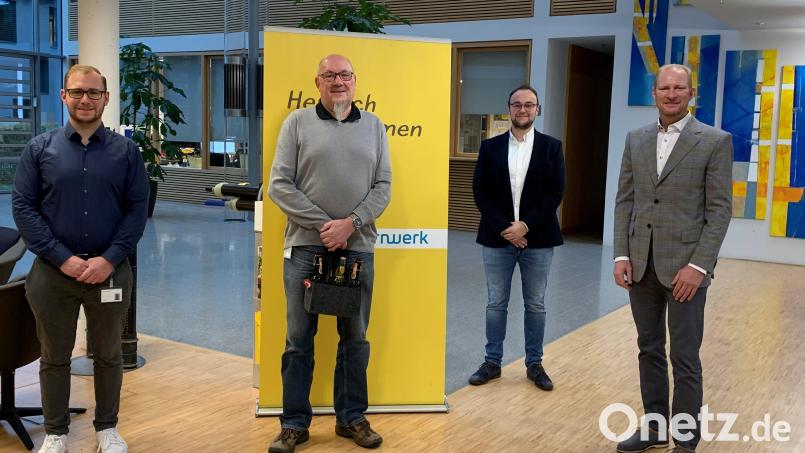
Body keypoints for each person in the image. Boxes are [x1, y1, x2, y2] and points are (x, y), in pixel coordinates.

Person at [11, 64, 149, 453]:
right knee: (54, 356)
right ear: (64, 96)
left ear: (106, 98)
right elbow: (23, 207)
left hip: (109, 272)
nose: (85, 99)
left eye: (93, 92)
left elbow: (137, 210)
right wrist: (62, 258)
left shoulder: (126, 152)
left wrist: (109, 259)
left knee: (108, 354)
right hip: (53, 274)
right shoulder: (40, 149)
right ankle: (56, 433)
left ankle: (107, 429)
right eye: (77, 92)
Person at [267, 54, 391, 453]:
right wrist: (326, 226)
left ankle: (351, 418)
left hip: (357, 250)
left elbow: (384, 186)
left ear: (355, 81)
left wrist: (350, 224)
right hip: (306, 249)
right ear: (317, 82)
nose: (338, 81)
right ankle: (293, 425)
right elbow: (279, 185)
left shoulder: (374, 126)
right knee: (298, 340)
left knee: (355, 339)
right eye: (329, 75)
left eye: (344, 75)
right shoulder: (297, 123)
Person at [613, 64, 732, 453]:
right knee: (648, 349)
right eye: (664, 88)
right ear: (654, 93)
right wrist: (621, 254)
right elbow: (625, 201)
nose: (671, 94)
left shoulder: (714, 141)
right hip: (640, 266)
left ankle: (685, 440)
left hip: (686, 270)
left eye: (679, 88)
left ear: (691, 92)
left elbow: (719, 211)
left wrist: (699, 267)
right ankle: (654, 428)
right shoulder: (636, 139)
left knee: (684, 357)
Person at [469, 84, 565, 391]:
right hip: (497, 238)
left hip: (539, 239)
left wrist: (525, 226)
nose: (522, 109)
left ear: (538, 109)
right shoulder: (490, 147)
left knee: (535, 304)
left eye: (529, 104)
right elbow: (480, 192)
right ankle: (492, 362)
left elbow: (555, 193)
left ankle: (534, 363)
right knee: (496, 303)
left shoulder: (552, 147)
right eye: (517, 104)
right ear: (508, 109)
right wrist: (506, 228)